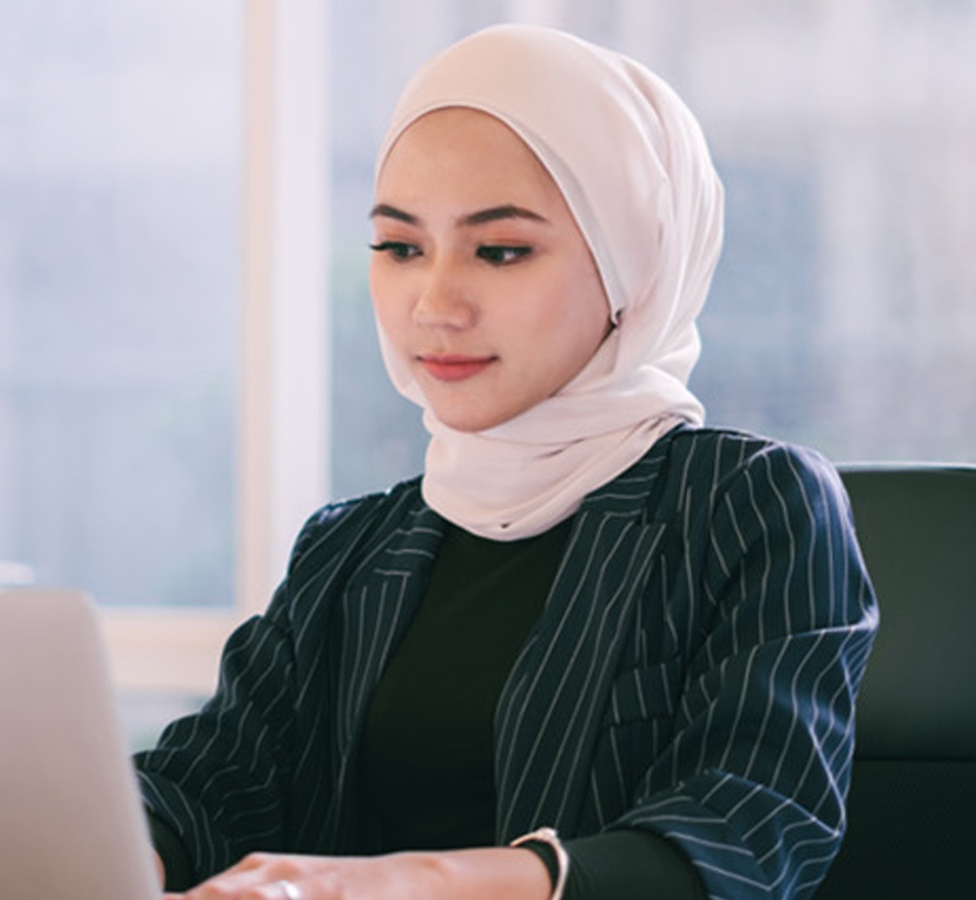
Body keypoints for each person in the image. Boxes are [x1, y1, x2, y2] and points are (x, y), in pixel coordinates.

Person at [134, 23, 878, 900]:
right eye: (401, 247)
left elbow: (745, 831)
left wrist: (404, 885)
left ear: (630, 266)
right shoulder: (350, 547)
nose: (435, 304)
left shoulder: (750, 505)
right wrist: (109, 853)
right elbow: (209, 785)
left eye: (501, 250)